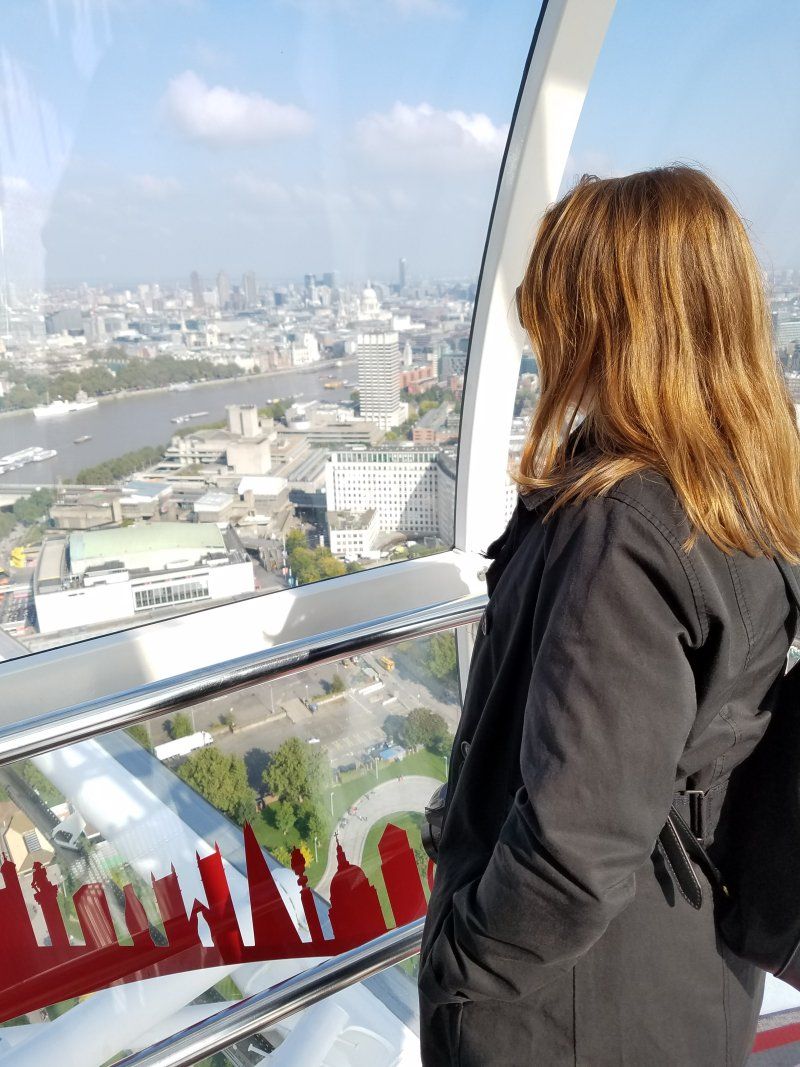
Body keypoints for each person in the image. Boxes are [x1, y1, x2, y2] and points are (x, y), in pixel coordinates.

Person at [417, 165, 800, 1066]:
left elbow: (573, 843)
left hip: (571, 1012)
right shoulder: (744, 490)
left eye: (558, 305)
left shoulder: (622, 527)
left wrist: (461, 964)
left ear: (611, 321)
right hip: (686, 966)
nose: (543, 334)